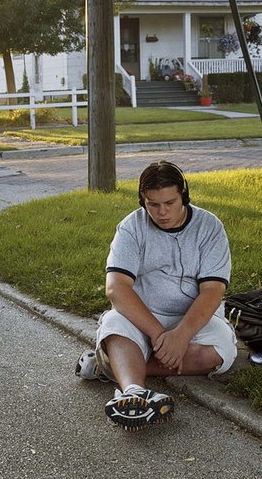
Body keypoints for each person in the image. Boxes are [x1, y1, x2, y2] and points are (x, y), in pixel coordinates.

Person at [75, 160, 238, 430]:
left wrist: (181, 335)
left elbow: (213, 291)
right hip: (144, 315)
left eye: (169, 203)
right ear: (143, 201)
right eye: (153, 205)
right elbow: (116, 288)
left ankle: (110, 366)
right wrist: (160, 336)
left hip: (193, 317)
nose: (162, 212)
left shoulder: (210, 227)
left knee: (220, 353)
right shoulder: (131, 227)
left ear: (183, 195)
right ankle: (134, 393)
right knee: (115, 323)